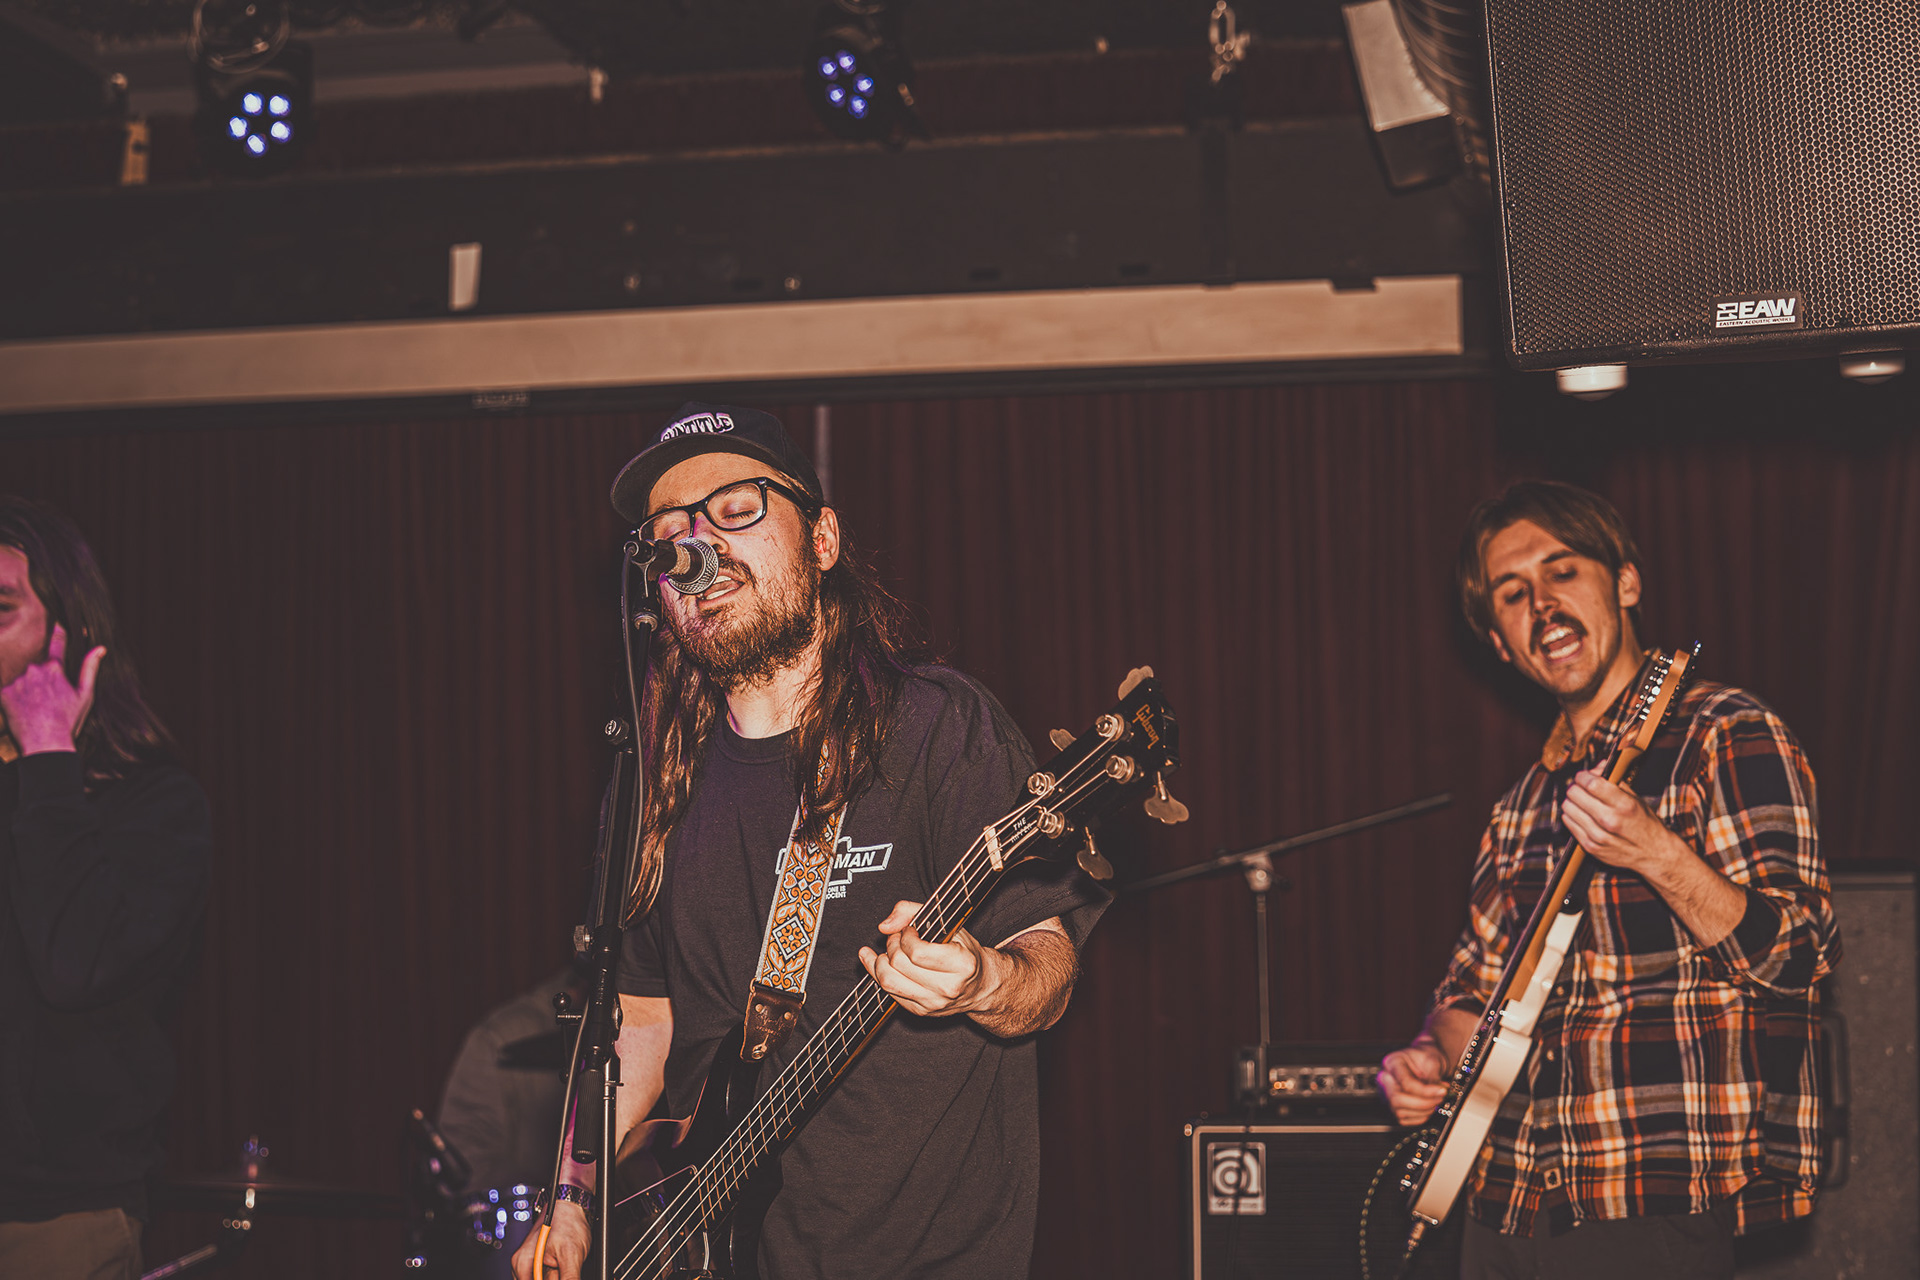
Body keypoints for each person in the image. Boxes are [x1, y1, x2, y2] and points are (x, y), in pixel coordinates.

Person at [513, 404, 1107, 1280]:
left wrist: (982, 980)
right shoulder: (650, 781)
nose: (699, 545)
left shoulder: (936, 727)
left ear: (822, 540)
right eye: (671, 532)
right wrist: (571, 1201)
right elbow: (640, 1018)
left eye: (736, 509)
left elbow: (1045, 970)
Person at [1377, 480, 1838, 1279]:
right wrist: (1428, 1059)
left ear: (1625, 583)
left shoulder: (1723, 734)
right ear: (1500, 645)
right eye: (1512, 594)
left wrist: (1657, 853)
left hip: (1644, 1196)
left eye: (1562, 571)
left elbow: (1797, 956)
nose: (1541, 605)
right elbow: (1471, 994)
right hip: (1503, 1199)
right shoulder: (1518, 808)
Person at [0, 496, 211, 1280]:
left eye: (0, 610)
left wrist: (46, 751)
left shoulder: (153, 806)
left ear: (70, 634)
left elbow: (74, 965)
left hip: (52, 1220)